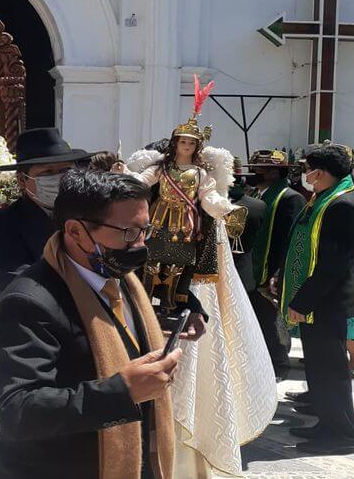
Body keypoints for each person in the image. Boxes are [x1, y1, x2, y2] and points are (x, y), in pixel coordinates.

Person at [116, 77, 277, 476]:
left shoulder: (200, 177)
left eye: (191, 144)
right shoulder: (161, 172)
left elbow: (211, 199)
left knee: (177, 273)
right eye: (181, 143)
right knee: (157, 267)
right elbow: (143, 183)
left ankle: (173, 295)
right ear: (174, 145)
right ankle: (161, 293)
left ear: (197, 148)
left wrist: (226, 211)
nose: (186, 148)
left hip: (187, 229)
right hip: (162, 225)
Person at [0, 170, 180, 478]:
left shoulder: (121, 279)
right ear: (76, 232)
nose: (139, 244)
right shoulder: (29, 302)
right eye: (127, 232)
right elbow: (16, 411)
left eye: (144, 230)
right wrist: (121, 392)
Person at [276, 142, 354, 454]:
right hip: (320, 302)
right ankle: (327, 424)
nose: (305, 174)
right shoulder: (326, 198)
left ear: (321, 172)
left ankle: (341, 435)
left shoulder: (342, 205)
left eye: (308, 168)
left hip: (327, 303)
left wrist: (303, 301)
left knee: (330, 370)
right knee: (320, 369)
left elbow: (335, 264)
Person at [0, 128, 94, 296]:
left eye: (65, 170)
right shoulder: (0, 225)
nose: (58, 178)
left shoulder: (92, 215)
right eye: (47, 172)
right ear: (22, 180)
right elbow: (20, 282)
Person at [245, 149, 305, 380]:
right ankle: (264, 362)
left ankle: (279, 365)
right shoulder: (259, 194)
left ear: (272, 173)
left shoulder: (290, 198)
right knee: (260, 320)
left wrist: (279, 272)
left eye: (257, 170)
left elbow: (288, 240)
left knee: (272, 321)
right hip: (255, 267)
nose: (252, 174)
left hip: (272, 269)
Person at [228, 162, 265, 294]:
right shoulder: (259, 205)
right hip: (246, 271)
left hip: (230, 270)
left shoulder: (208, 205)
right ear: (243, 180)